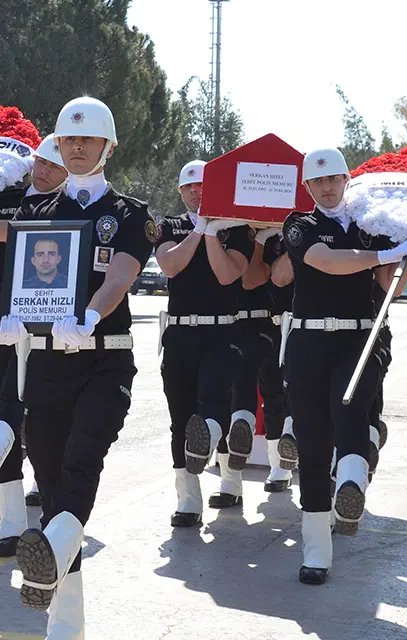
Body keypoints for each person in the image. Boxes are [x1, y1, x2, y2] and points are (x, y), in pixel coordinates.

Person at [0, 96, 153, 638]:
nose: (76, 149)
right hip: (46, 366)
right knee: (53, 486)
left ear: (108, 147)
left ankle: (54, 573)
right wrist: (9, 315)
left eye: (87, 140)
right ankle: (66, 623)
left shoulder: (129, 214)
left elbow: (122, 273)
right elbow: (19, 267)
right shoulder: (35, 211)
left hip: (104, 360)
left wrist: (91, 313)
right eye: (69, 140)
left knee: (82, 462)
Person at [281, 148, 407, 585]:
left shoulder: (371, 226)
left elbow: (390, 288)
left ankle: (352, 485)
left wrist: (406, 253)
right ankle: (316, 548)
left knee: (352, 409)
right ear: (307, 187)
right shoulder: (299, 225)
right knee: (314, 442)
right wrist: (381, 254)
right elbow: (325, 261)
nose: (326, 187)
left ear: (346, 180)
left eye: (334, 178)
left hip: (359, 338)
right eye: (318, 181)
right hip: (308, 340)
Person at [0, 133, 67, 557]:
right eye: (40, 161)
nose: (42, 170)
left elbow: (25, 234)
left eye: (53, 166)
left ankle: (53, 515)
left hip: (45, 331)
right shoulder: (3, 197)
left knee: (38, 423)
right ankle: (10, 521)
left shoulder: (68, 204)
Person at [153, 159, 251, 525]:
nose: (197, 191)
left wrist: (213, 231)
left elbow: (227, 275)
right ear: (180, 191)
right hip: (180, 332)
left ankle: (224, 472)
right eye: (190, 186)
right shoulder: (171, 226)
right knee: (180, 416)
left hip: (221, 330)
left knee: (213, 404)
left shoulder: (236, 228)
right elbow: (170, 266)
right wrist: (199, 230)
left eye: (204, 186)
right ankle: (188, 499)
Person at [238, 226, 296, 493]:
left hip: (308, 326)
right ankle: (279, 466)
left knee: (301, 396)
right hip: (272, 326)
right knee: (272, 396)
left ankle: (297, 449)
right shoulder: (267, 236)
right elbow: (251, 280)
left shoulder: (314, 229)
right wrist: (262, 239)